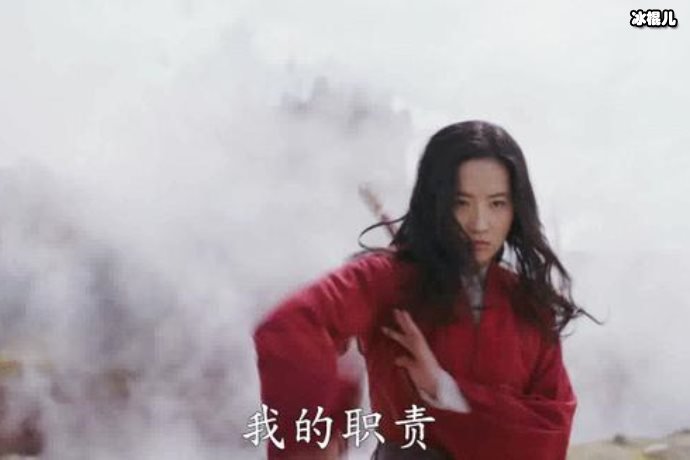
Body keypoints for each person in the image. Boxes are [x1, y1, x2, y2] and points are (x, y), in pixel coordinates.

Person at [253, 120, 597, 459]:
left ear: (516, 209)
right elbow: (291, 325)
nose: (479, 223)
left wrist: (443, 388)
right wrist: (315, 437)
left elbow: (552, 430)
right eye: (461, 202)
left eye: (497, 203)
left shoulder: (530, 303)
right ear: (436, 203)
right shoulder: (388, 280)